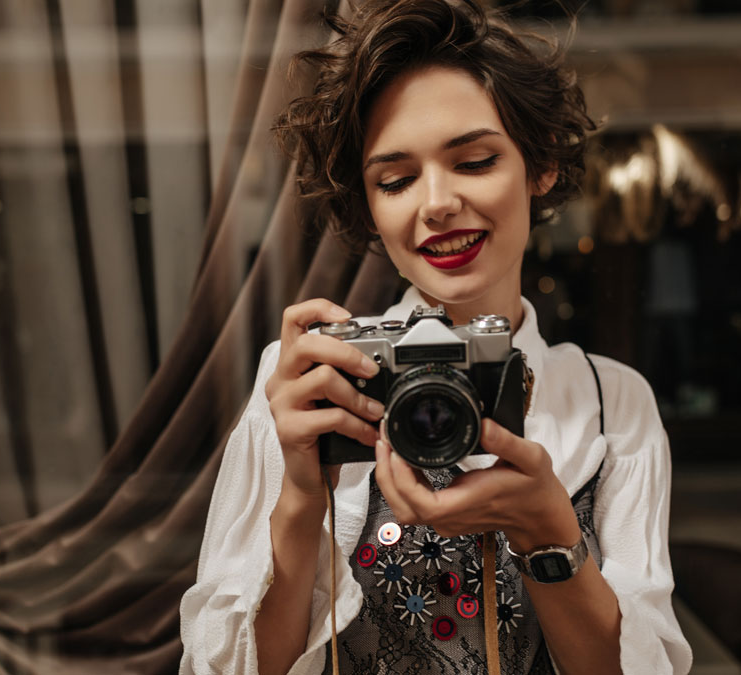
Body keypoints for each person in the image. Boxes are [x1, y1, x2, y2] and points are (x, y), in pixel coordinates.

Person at [179, 1, 692, 673]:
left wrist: (549, 531)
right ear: (370, 206)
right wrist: (302, 497)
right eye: (395, 179)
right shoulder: (311, 380)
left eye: (475, 161)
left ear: (538, 168)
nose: (436, 203)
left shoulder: (612, 403)